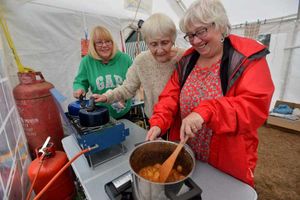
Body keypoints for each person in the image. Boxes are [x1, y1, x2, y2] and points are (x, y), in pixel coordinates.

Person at [146, 0, 274, 187]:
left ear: (220, 26)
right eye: (190, 35)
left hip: (228, 160)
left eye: (202, 31)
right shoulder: (187, 60)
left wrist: (206, 111)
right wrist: (158, 122)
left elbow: (254, 107)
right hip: (186, 150)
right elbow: (170, 97)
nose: (196, 40)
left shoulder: (246, 58)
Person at [92, 13, 185, 121]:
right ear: (146, 43)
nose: (159, 50)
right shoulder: (141, 61)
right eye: (154, 44)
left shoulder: (185, 57)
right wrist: (107, 97)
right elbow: (128, 88)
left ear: (173, 39)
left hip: (182, 123)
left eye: (165, 43)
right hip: (154, 121)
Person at [73, 26, 133, 119]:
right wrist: (79, 89)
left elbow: (134, 83)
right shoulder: (87, 61)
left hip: (123, 113)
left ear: (112, 43)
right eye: (99, 42)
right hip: (100, 113)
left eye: (108, 41)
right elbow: (80, 82)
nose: (104, 45)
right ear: (93, 45)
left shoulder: (125, 59)